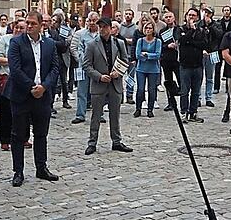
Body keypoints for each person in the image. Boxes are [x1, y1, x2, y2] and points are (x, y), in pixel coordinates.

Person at [6, 11, 61, 187]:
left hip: (43, 96)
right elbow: (15, 69)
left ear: (41, 25)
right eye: (27, 23)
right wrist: (31, 87)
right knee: (18, 135)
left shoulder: (49, 44)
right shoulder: (16, 42)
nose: (29, 26)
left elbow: (55, 68)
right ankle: (18, 171)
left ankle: (41, 167)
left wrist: (44, 87)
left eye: (33, 23)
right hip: (22, 95)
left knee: (41, 133)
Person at [83, 17, 133, 155]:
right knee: (96, 115)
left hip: (115, 84)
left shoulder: (119, 43)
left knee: (115, 115)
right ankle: (92, 142)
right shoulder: (92, 44)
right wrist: (99, 76)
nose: (102, 29)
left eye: (105, 27)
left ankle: (116, 141)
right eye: (100, 27)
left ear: (111, 28)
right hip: (99, 85)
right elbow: (86, 65)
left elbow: (125, 61)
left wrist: (119, 73)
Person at [0, 18, 26, 151]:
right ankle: (5, 139)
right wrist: (13, 61)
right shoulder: (5, 40)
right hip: (7, 78)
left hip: (23, 80)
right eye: (16, 27)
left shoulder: (28, 42)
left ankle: (23, 137)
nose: (18, 30)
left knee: (23, 111)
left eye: (21, 28)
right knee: (6, 110)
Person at [178, 8, 208, 123]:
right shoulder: (180, 29)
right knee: (184, 91)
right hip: (185, 65)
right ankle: (184, 112)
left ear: (197, 17)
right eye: (189, 15)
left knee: (196, 91)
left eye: (194, 15)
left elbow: (204, 44)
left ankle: (193, 112)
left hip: (198, 65)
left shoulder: (201, 30)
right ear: (186, 16)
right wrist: (191, 31)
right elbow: (182, 41)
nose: (191, 17)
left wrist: (191, 42)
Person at [69, 12, 100, 124]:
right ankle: (80, 114)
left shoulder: (100, 35)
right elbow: (77, 49)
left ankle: (98, 114)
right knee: (81, 91)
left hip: (97, 68)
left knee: (97, 92)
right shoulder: (81, 34)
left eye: (94, 20)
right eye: (90, 20)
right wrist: (81, 60)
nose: (91, 23)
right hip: (83, 67)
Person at [134, 21, 162, 118]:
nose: (148, 30)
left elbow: (157, 55)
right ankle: (138, 109)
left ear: (153, 29)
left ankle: (150, 109)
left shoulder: (157, 41)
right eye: (146, 28)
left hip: (153, 69)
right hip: (141, 69)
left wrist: (146, 54)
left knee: (152, 89)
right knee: (140, 89)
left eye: (150, 28)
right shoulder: (140, 41)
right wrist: (149, 56)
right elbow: (138, 55)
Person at [199, 7, 223, 107]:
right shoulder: (199, 24)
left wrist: (211, 26)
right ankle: (198, 98)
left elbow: (219, 35)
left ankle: (208, 97)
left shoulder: (217, 24)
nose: (206, 14)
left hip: (213, 52)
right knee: (199, 77)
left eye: (208, 13)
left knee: (210, 77)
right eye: (205, 12)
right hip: (201, 52)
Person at [158, 11, 181, 112]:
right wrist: (167, 46)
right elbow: (160, 45)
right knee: (168, 82)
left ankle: (184, 102)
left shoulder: (179, 29)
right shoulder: (162, 31)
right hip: (166, 59)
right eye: (166, 17)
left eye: (170, 17)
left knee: (181, 80)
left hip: (178, 59)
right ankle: (171, 103)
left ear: (174, 18)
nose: (168, 18)